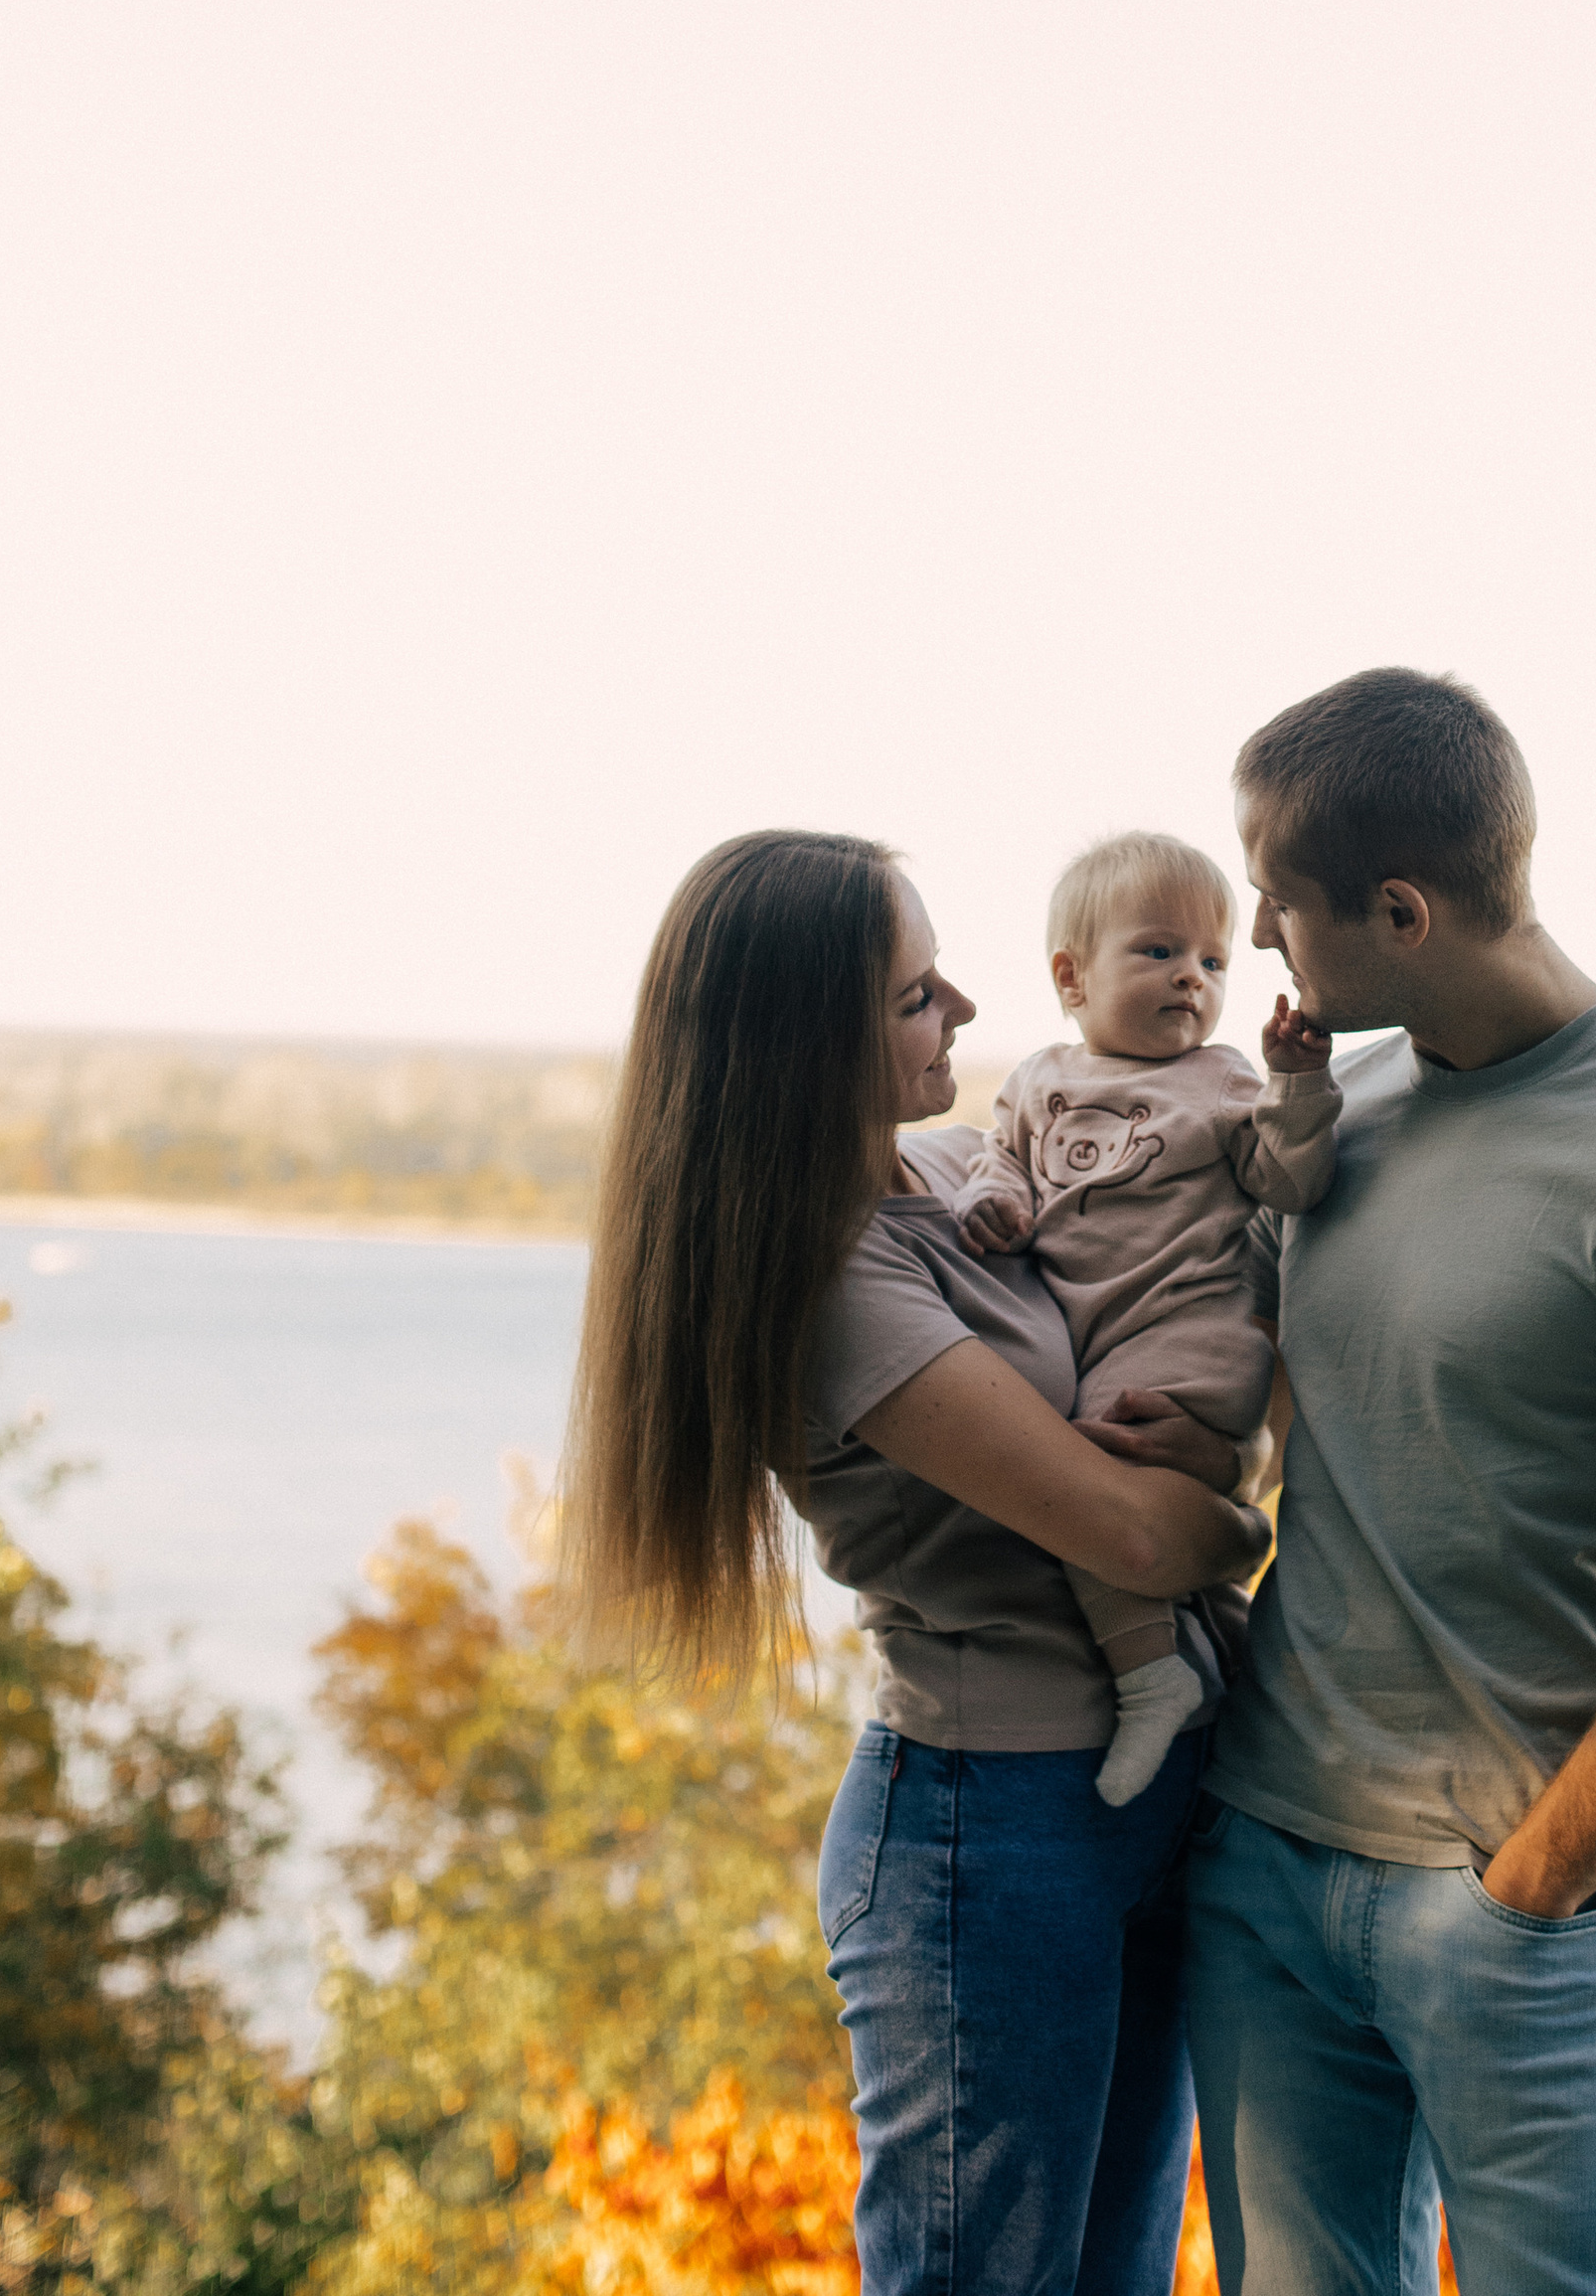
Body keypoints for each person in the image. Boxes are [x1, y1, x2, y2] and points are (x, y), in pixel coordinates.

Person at [1187, 670, 1596, 2296]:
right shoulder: (1339, 1113)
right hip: (1265, 1878)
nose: (1259, 934)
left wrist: (1534, 1888)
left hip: (1520, 1917)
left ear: (1400, 911)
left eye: (1277, 899)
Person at [560, 828, 1267, 2296]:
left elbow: (1162, 1213)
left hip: (1136, 1809)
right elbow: (1129, 1532)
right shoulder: (834, 1291)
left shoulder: (955, 1176)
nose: (959, 1013)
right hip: (985, 1836)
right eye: (914, 995)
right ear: (809, 1044)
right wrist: (1244, 1517)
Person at [955, 830, 1343, 1804]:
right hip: (1095, 1337)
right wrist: (987, 1201)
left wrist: (1295, 1086)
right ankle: (1236, 1669)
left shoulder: (1221, 1084)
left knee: (1087, 1485)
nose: (1193, 980)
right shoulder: (1038, 1079)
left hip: (1185, 1341)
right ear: (1070, 975)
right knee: (1167, 1552)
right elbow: (998, 1161)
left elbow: (1289, 1182)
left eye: (1212, 962)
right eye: (1159, 951)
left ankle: (1145, 1679)